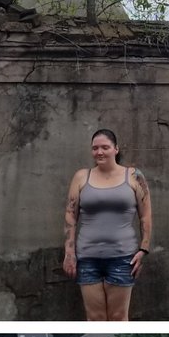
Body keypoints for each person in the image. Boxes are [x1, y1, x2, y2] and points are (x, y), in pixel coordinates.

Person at [62, 129, 152, 321]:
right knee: (95, 318)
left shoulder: (134, 176)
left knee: (119, 317)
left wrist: (144, 248)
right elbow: (70, 215)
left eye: (105, 147)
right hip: (87, 257)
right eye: (95, 148)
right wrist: (69, 253)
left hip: (122, 257)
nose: (99, 152)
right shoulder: (81, 177)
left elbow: (145, 215)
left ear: (116, 149)